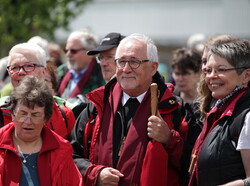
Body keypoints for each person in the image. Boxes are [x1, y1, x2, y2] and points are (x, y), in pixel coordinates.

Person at [70, 33, 187, 186]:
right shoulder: (97, 105)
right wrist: (94, 174)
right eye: (121, 62)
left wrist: (169, 139)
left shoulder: (174, 108)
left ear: (153, 67)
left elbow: (195, 166)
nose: (126, 69)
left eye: (134, 62)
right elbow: (70, 154)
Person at [0, 75, 83, 185]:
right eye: (23, 113)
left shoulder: (61, 149)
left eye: (35, 115)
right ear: (13, 114)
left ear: (46, 118)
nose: (28, 121)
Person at [188, 39, 250, 186]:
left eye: (221, 70)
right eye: (208, 70)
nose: (211, 76)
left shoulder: (246, 116)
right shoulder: (219, 111)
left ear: (246, 76)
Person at [0, 42, 75, 139]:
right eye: (14, 67)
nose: (21, 72)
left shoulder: (64, 114)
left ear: (43, 72)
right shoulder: (2, 112)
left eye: (29, 66)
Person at [171, 47, 203, 186]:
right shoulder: (170, 103)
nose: (180, 78)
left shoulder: (210, 103)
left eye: (185, 73)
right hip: (175, 173)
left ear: (199, 73)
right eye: (177, 73)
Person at [57, 28, 105, 100]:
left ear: (89, 52)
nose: (68, 54)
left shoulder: (102, 74)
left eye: (73, 51)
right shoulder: (60, 71)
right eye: (66, 50)